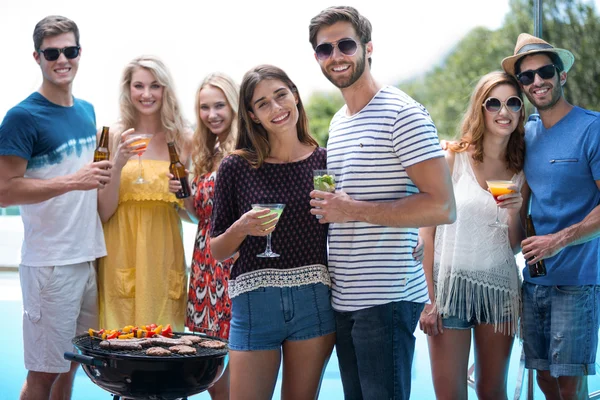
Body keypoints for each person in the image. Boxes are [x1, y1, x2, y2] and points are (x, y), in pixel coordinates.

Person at [308, 6, 456, 399]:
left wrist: (351, 209)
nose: (336, 56)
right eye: (325, 49)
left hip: (387, 299)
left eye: (345, 44)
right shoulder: (339, 122)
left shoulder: (402, 114)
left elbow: (443, 207)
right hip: (345, 297)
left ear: (368, 48)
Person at [0, 15, 111, 400]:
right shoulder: (21, 117)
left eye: (70, 50)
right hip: (49, 263)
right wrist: (73, 181)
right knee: (43, 374)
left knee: (71, 365)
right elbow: (4, 191)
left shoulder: (87, 111)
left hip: (87, 256)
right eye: (52, 53)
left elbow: (93, 185)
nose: (62, 59)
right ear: (37, 57)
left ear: (80, 53)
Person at [209, 64, 335, 400]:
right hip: (254, 301)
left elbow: (338, 226)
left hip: (313, 299)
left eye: (281, 95)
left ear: (295, 94)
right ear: (252, 115)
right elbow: (218, 249)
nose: (276, 108)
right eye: (263, 103)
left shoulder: (323, 163)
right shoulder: (236, 166)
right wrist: (242, 227)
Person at [501, 33, 600, 399]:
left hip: (578, 279)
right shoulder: (526, 134)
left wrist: (558, 240)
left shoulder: (593, 128)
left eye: (544, 71)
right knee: (543, 378)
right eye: (527, 77)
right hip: (536, 280)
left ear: (562, 75)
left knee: (569, 383)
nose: (536, 81)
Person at [419, 71, 525, 399]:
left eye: (513, 103)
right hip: (449, 291)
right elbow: (427, 235)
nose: (503, 111)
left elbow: (514, 244)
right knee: (450, 394)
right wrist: (429, 299)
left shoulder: (522, 169)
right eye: (493, 103)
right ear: (480, 108)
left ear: (522, 111)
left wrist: (514, 209)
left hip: (499, 291)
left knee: (493, 392)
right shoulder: (452, 157)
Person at [97, 55, 192, 332]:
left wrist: (184, 193)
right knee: (120, 341)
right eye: (139, 86)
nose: (147, 94)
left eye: (155, 86)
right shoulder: (112, 135)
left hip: (164, 255)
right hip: (120, 252)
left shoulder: (182, 138)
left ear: (166, 90)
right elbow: (104, 211)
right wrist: (118, 164)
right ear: (128, 90)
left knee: (163, 342)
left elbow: (189, 213)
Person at [168, 72, 239, 400]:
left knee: (241, 353)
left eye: (219, 105)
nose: (212, 114)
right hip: (204, 264)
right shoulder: (202, 150)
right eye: (204, 107)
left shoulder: (247, 147)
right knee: (209, 360)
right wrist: (181, 193)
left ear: (234, 105)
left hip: (236, 261)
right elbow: (197, 214)